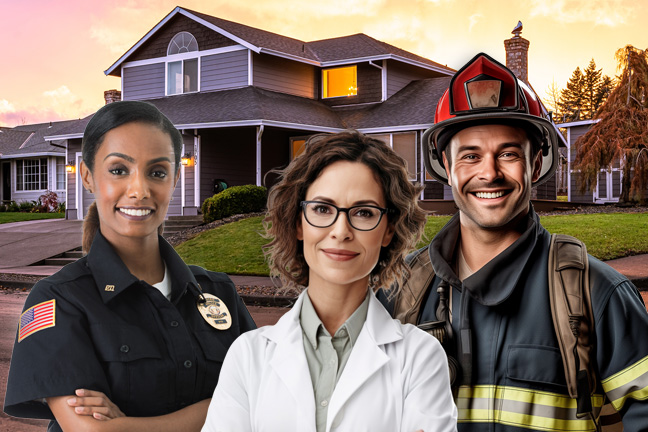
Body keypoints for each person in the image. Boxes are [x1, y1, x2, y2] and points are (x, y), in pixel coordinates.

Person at [379, 53, 648, 431]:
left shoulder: (597, 294)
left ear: (536, 163)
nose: (489, 173)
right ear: (446, 166)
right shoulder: (399, 291)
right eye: (470, 155)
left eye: (508, 154)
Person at [4, 100, 256, 432]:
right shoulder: (59, 300)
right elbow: (92, 431)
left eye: (157, 172)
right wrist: (227, 407)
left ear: (175, 178)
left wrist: (127, 425)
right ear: (88, 176)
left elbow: (267, 398)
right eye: (119, 170)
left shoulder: (218, 291)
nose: (139, 190)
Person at [201, 131, 458, 432]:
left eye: (364, 213)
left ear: (389, 229)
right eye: (323, 209)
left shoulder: (421, 358)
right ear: (299, 223)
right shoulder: (248, 356)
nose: (341, 230)